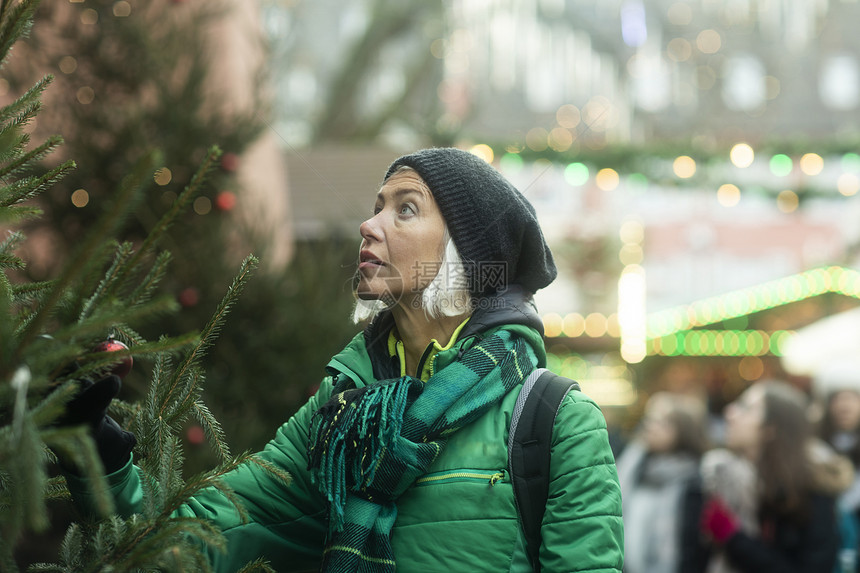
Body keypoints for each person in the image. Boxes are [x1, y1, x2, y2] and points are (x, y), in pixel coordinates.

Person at [60, 148, 625, 572]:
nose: (369, 224)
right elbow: (183, 543)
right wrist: (97, 447)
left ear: (466, 257)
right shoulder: (337, 423)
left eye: (406, 210)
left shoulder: (557, 425)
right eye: (377, 207)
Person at [694, 379, 853, 573]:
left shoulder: (812, 489)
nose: (730, 413)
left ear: (771, 428)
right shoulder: (728, 482)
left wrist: (734, 538)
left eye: (746, 408)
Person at [615, 391, 709, 573]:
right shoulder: (634, 468)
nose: (651, 427)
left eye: (663, 423)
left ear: (683, 431)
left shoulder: (694, 481)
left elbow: (693, 548)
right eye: (650, 420)